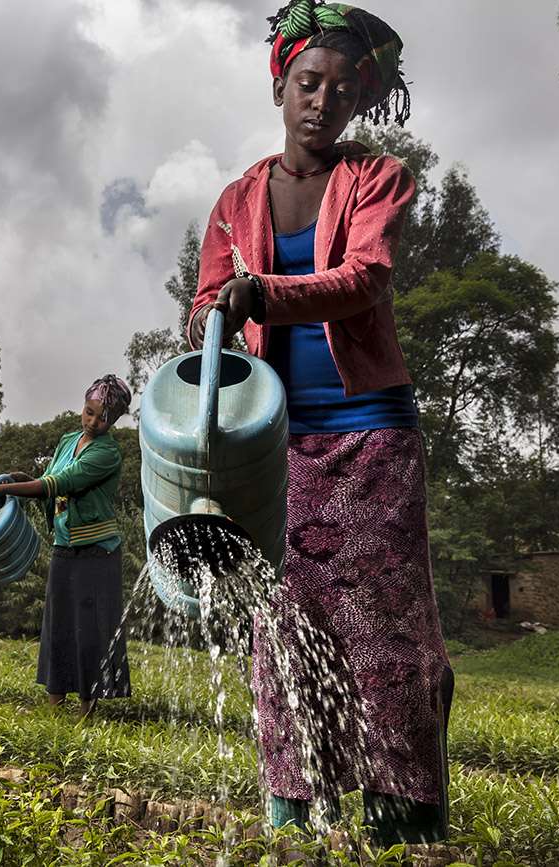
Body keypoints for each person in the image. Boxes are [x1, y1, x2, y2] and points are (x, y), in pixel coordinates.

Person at [186, 0, 453, 846]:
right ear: (280, 85)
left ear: (356, 105)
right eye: (308, 83)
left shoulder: (378, 179)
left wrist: (264, 292)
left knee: (380, 624)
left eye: (341, 91)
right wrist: (212, 320)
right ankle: (298, 805)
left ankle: (399, 812)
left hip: (371, 433)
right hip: (275, 445)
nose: (321, 102)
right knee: (285, 623)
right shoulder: (235, 200)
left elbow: (365, 275)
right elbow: (203, 307)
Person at [0, 375, 133, 719]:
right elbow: (49, 474)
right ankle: (54, 705)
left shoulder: (107, 453)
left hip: (97, 551)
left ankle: (87, 708)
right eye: (89, 412)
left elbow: (60, 483)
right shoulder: (67, 440)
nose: (93, 422)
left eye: (102, 418)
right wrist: (17, 480)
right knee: (59, 625)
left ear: (114, 420)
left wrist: (5, 492)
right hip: (65, 545)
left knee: (90, 630)